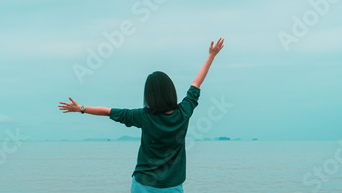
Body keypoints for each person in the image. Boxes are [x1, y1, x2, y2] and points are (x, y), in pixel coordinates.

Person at [58, 37, 225, 192]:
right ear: (171, 91)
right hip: (172, 186)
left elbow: (108, 112)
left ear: (149, 95)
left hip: (143, 184)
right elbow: (196, 83)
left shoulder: (143, 116)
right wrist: (211, 56)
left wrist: (81, 108)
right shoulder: (184, 112)